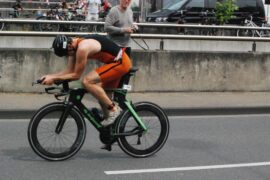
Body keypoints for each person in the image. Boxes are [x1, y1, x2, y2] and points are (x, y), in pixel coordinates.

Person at [40, 34, 132, 127]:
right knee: (103, 97)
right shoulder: (72, 46)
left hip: (121, 62)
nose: (67, 56)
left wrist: (54, 79)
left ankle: (114, 110)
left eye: (66, 54)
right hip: (113, 63)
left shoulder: (82, 48)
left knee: (87, 81)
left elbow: (76, 75)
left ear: (69, 46)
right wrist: (50, 76)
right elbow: (69, 71)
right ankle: (112, 127)